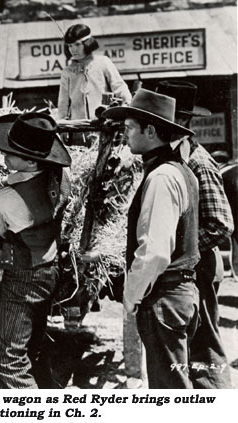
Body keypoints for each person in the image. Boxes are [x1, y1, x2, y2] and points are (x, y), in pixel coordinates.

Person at [103, 89, 200, 388]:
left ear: (152, 130)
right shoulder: (180, 171)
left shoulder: (161, 177)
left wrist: (131, 295)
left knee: (170, 391)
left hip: (164, 297)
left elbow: (155, 252)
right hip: (178, 294)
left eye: (130, 128)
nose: (125, 134)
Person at [0, 112, 72, 388]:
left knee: (8, 360)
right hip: (50, 266)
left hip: (23, 274)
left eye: (10, 154)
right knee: (30, 347)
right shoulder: (60, 176)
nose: (3, 157)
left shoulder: (6, 198)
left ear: (32, 160)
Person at [156, 80, 234, 388]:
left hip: (198, 269)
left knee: (205, 351)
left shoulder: (198, 161)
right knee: (191, 352)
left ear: (182, 122)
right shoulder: (176, 158)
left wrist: (184, 250)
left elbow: (220, 223)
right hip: (192, 267)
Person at [57, 24, 131, 121]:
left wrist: (127, 104)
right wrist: (62, 124)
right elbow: (63, 103)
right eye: (70, 45)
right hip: (78, 127)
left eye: (77, 44)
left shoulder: (103, 62)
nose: (73, 49)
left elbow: (119, 87)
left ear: (88, 43)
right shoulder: (67, 72)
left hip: (103, 124)